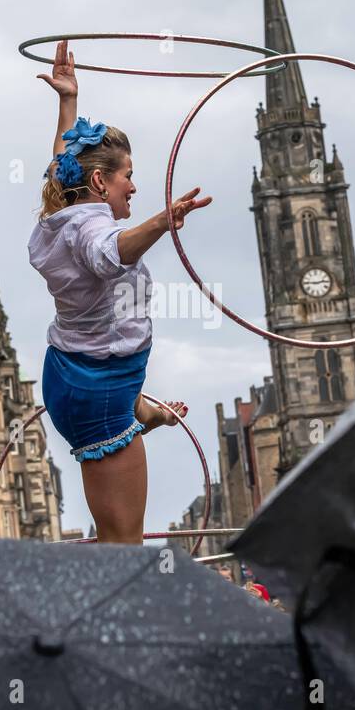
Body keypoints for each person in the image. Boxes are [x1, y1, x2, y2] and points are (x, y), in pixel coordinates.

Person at [30, 40, 212, 544]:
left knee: (115, 532)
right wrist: (166, 219)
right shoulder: (93, 231)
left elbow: (61, 164)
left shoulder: (64, 214)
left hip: (72, 371)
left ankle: (142, 412)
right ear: (100, 181)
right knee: (123, 548)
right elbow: (111, 255)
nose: (133, 186)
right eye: (128, 176)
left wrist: (67, 100)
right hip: (99, 387)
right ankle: (109, 624)